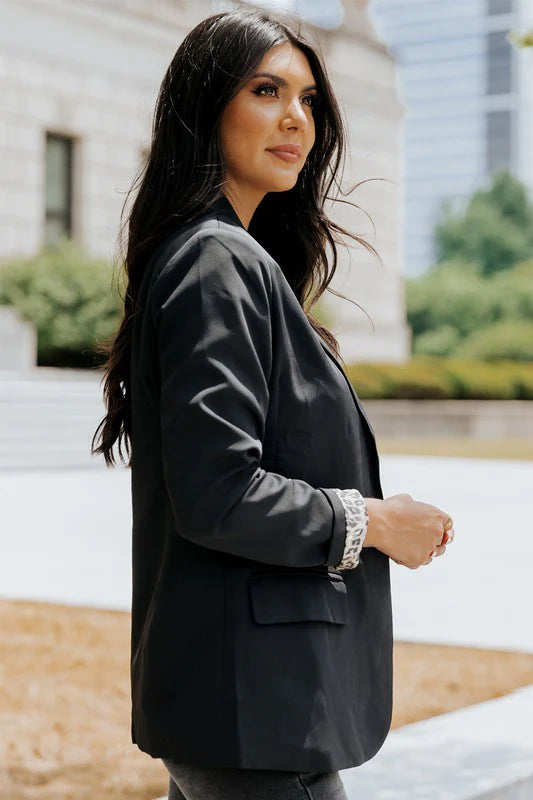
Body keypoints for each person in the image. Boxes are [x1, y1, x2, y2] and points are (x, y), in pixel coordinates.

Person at [91, 7, 454, 800]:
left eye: (309, 99)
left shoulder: (227, 259)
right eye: (266, 90)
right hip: (256, 714)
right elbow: (218, 493)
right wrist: (373, 521)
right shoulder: (214, 262)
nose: (296, 118)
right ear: (205, 107)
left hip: (243, 708)